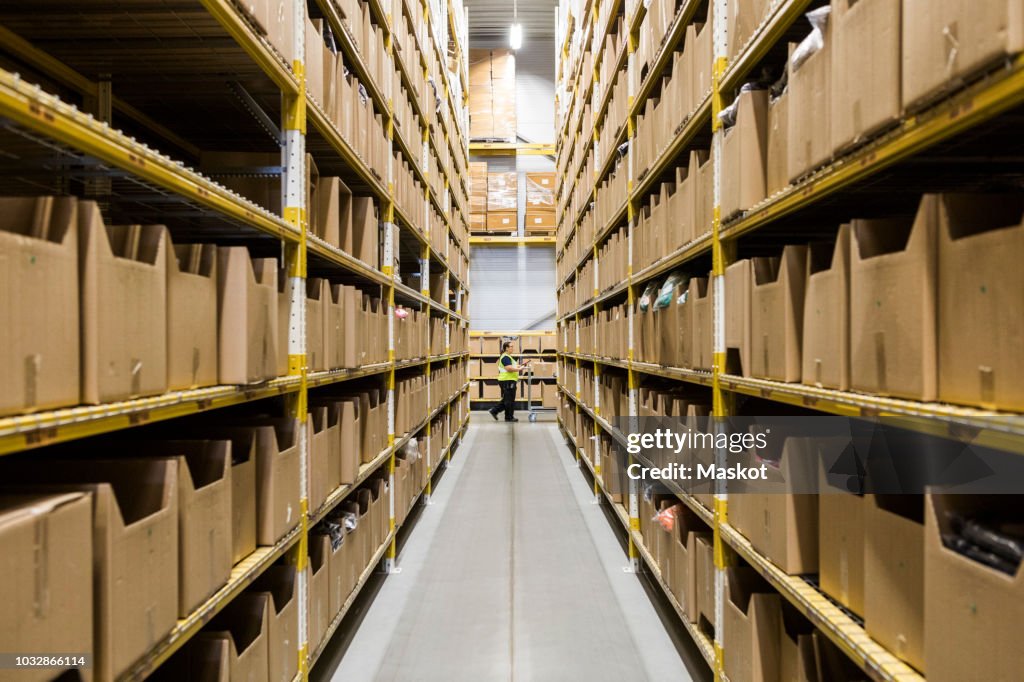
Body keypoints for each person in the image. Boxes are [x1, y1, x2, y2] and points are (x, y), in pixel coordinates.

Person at [489, 340, 530, 422]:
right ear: (506, 348)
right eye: (511, 346)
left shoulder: (508, 357)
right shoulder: (505, 357)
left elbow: (512, 366)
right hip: (507, 381)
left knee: (507, 399)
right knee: (509, 400)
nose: (513, 348)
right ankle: (508, 417)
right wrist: (520, 369)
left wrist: (520, 365)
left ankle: (496, 411)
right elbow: (509, 369)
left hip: (509, 380)